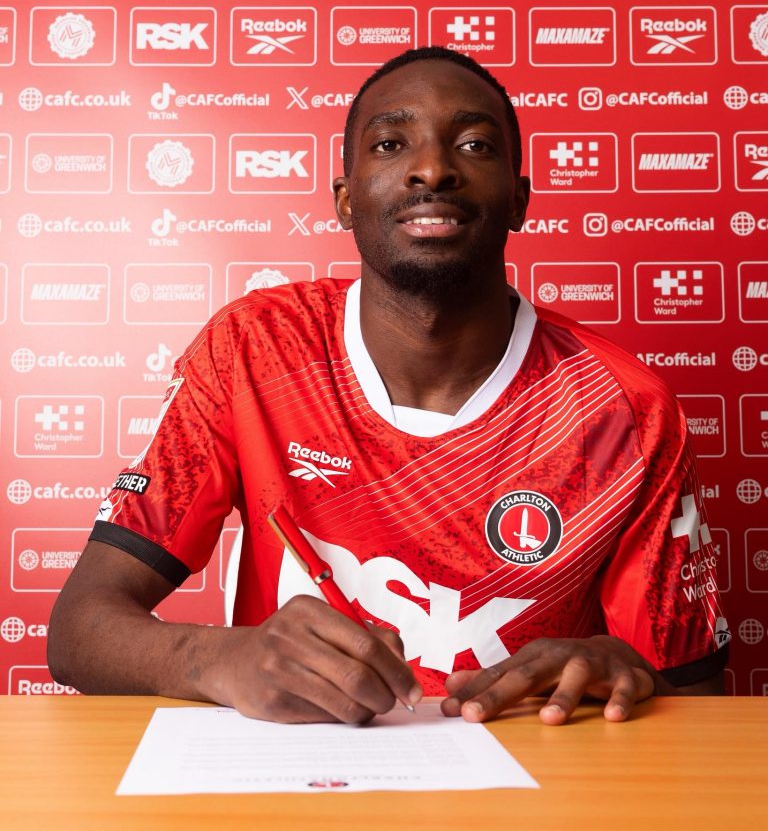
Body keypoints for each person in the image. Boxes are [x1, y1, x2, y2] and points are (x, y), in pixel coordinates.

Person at [48, 47, 729, 725]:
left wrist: (629, 671)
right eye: (390, 143)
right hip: (294, 784)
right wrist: (218, 660)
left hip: (526, 785)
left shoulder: (625, 408)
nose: (433, 169)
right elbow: (79, 630)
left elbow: (696, 700)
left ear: (519, 200)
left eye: (474, 144)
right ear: (346, 200)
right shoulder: (255, 350)